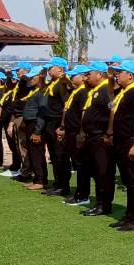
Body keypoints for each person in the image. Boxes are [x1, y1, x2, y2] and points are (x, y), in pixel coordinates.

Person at [108, 59, 134, 232]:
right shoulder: (126, 91)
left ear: (130, 75)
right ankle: (130, 215)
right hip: (121, 141)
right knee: (128, 181)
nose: (117, 75)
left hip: (131, 141)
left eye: (120, 72)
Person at [78, 62, 115, 217]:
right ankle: (100, 202)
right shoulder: (96, 89)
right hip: (92, 137)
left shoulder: (106, 89)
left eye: (89, 74)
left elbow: (112, 110)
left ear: (99, 74)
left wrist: (109, 132)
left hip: (100, 137)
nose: (86, 77)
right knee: (96, 171)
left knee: (103, 172)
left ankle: (104, 205)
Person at [58, 66, 90, 206]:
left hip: (77, 132)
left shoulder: (83, 92)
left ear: (82, 77)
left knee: (81, 165)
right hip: (71, 132)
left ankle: (83, 195)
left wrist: (81, 133)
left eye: (74, 75)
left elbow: (83, 114)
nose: (71, 78)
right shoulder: (75, 91)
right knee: (77, 163)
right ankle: (79, 193)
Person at [41, 56, 71, 195]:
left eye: (51, 67)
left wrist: (62, 126)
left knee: (60, 156)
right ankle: (57, 183)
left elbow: (66, 106)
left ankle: (63, 186)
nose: (48, 70)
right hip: (50, 122)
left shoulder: (63, 83)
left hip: (58, 122)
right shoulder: (53, 82)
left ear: (60, 69)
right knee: (53, 155)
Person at [19, 67, 50, 190]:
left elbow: (42, 113)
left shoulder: (43, 91)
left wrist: (38, 131)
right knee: (32, 153)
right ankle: (37, 178)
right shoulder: (34, 90)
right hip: (30, 124)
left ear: (40, 77)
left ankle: (41, 180)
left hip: (36, 125)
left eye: (33, 77)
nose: (30, 79)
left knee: (37, 153)